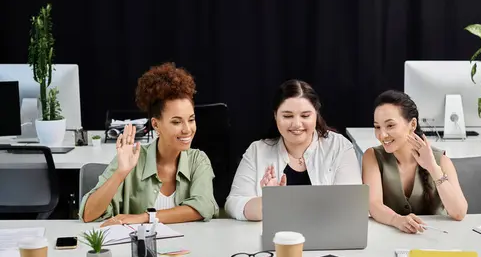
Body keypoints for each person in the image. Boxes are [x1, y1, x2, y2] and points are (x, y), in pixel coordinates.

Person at [79, 62, 219, 226]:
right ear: (155, 125)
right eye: (176, 122)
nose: (187, 130)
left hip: (185, 250)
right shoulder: (132, 159)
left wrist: (144, 218)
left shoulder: (198, 160)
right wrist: (121, 173)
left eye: (191, 119)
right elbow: (88, 215)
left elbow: (203, 207)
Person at [225, 79, 362, 221]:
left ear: (316, 114)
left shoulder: (339, 147)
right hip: (275, 240)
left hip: (329, 237)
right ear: (275, 116)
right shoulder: (257, 151)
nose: (296, 124)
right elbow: (234, 204)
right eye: (287, 116)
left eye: (305, 116)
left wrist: (285, 206)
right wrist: (269, 202)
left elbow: (351, 205)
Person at [362, 90, 468, 233]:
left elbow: (459, 212)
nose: (382, 134)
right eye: (377, 127)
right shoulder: (372, 156)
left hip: (437, 240)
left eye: (390, 125)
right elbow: (374, 204)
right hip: (391, 239)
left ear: (412, 124)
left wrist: (432, 167)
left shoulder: (441, 160)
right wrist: (396, 220)